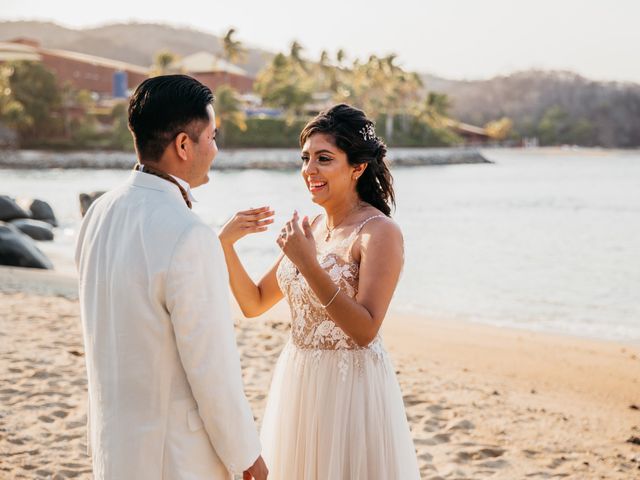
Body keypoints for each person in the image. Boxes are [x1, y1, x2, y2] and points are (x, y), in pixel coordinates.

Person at [75, 75, 268, 480]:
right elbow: (212, 366)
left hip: (113, 449)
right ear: (184, 145)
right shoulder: (190, 234)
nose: (216, 149)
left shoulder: (98, 213)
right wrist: (246, 455)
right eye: (212, 137)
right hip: (176, 458)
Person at [219, 104, 420, 479]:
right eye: (306, 158)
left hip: (351, 389)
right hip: (299, 380)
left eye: (324, 159)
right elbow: (254, 302)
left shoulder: (380, 232)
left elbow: (364, 331)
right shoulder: (309, 226)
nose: (309, 170)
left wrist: (308, 264)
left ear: (357, 167)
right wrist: (225, 246)